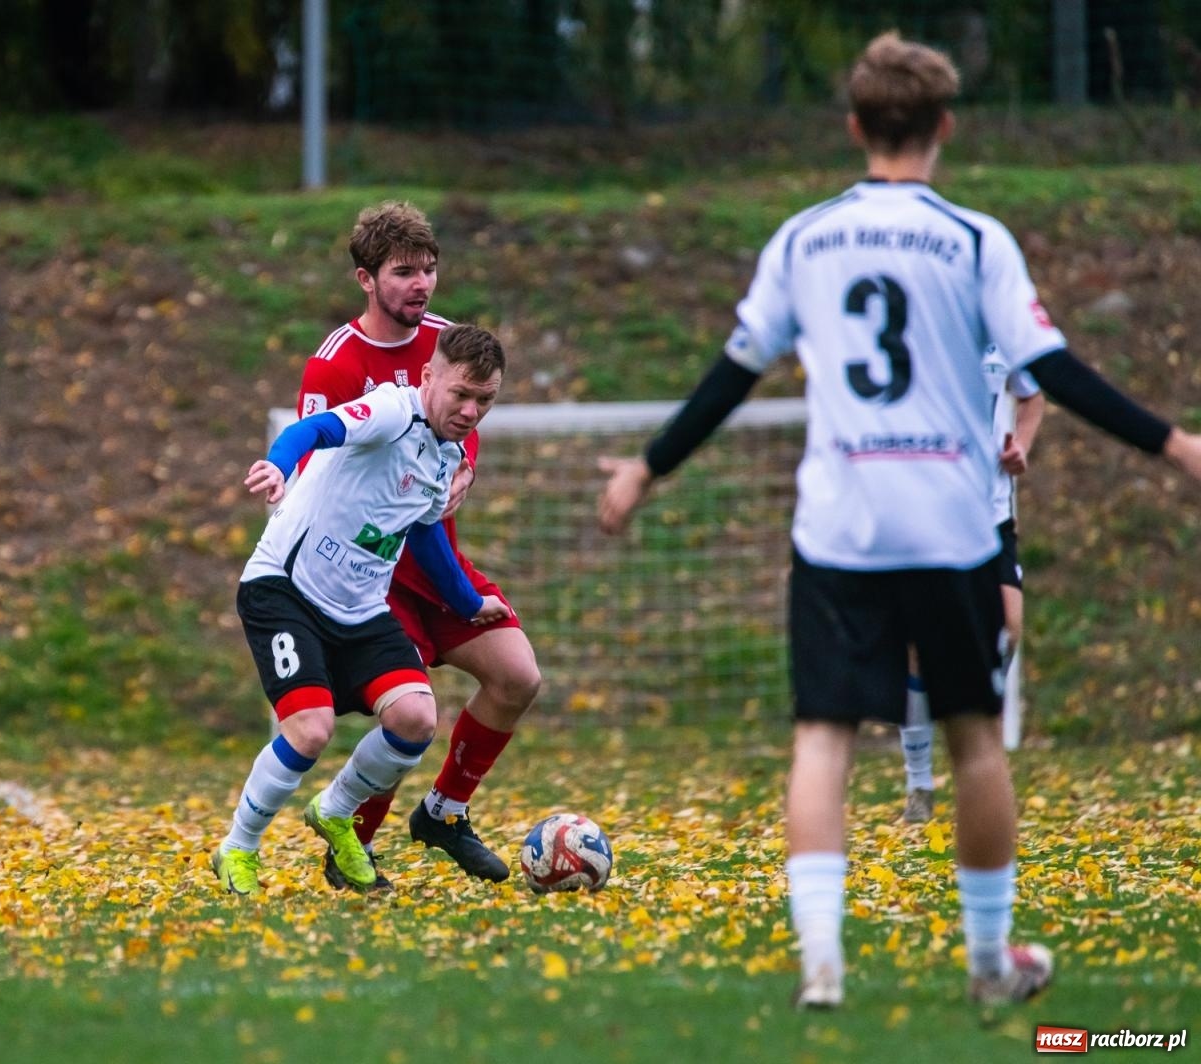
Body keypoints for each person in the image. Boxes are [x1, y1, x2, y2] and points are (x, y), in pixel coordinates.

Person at [596, 32, 1201, 1008]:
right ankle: (989, 962)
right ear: (942, 128)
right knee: (974, 742)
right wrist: (1173, 443)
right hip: (951, 524)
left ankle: (821, 967)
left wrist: (644, 469)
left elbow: (730, 376)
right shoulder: (972, 240)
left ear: (853, 127)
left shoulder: (803, 237)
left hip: (840, 527)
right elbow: (1053, 372)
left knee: (823, 740)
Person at [294, 201, 541, 889]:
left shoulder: (445, 339)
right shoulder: (335, 366)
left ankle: (444, 812)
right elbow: (315, 476)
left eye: (430, 269)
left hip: (440, 563)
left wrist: (468, 461)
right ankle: (353, 846)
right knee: (410, 709)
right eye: (404, 271)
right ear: (365, 280)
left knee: (518, 674)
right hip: (371, 576)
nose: (421, 284)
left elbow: (467, 412)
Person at [214, 325, 511, 895]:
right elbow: (315, 428)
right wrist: (279, 465)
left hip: (359, 608)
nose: (472, 410)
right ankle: (238, 847)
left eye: (485, 400)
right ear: (428, 377)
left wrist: (470, 604)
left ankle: (336, 810)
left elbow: (425, 538)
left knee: (416, 718)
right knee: (310, 730)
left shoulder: (445, 456)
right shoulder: (389, 411)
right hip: (285, 589)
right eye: (461, 394)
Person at [901, 350, 1044, 823]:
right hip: (928, 510)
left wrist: (1020, 444)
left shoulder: (1002, 329)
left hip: (991, 513)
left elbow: (1032, 395)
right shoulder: (923, 319)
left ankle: (977, 749)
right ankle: (919, 781)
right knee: (919, 646)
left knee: (1009, 627)